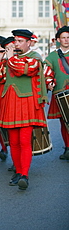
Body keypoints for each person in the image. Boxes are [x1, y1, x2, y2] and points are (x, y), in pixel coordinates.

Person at [0, 29, 48, 190]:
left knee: (24, 141)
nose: (16, 44)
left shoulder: (34, 57)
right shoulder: (10, 58)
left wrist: (10, 58)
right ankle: (18, 171)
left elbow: (24, 69)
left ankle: (24, 174)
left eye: (20, 41)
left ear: (29, 42)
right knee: (13, 141)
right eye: (15, 40)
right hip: (10, 101)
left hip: (27, 101)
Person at [44, 25, 69, 160]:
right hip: (61, 94)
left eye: (68, 38)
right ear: (58, 39)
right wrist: (49, 82)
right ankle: (68, 147)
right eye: (63, 38)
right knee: (64, 122)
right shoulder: (52, 56)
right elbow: (47, 73)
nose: (66, 40)